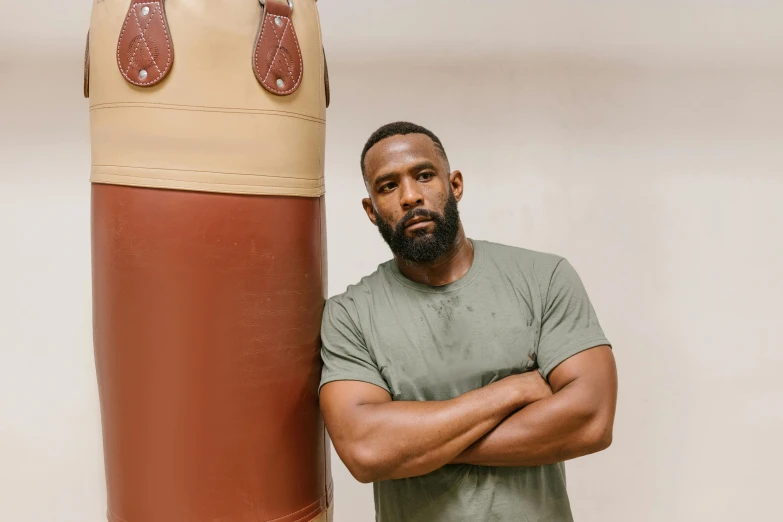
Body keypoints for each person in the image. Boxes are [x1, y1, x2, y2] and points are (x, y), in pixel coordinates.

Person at [318, 121, 618, 522]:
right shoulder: (349, 315)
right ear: (371, 210)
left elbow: (592, 420)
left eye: (424, 176)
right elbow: (366, 450)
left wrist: (417, 447)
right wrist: (512, 391)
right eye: (388, 186)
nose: (410, 196)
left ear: (454, 185)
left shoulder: (543, 278)